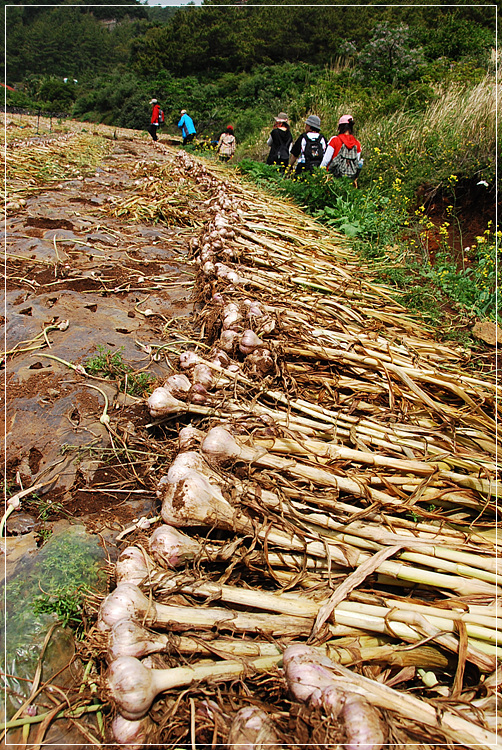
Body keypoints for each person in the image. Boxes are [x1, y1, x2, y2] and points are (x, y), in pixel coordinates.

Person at [321, 115, 363, 187]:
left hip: (333, 178)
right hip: (349, 180)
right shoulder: (357, 143)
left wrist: (319, 174)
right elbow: (357, 162)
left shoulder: (335, 140)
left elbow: (326, 161)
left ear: (340, 127)